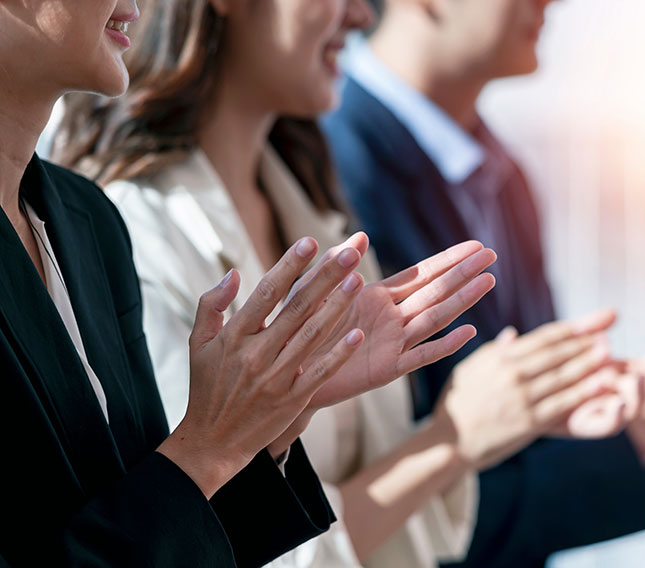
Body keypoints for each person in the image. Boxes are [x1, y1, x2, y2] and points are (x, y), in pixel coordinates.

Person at [54, 0, 645, 566]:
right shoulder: (132, 228)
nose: (363, 14)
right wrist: (453, 438)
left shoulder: (316, 209)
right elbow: (209, 540)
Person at [321, 0, 645, 565]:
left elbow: (522, 430)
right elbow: (408, 507)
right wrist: (644, 435)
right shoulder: (332, 176)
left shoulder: (502, 177)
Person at [0, 0, 481, 564]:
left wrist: (268, 416)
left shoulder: (90, 224)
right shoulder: (129, 214)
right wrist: (210, 447)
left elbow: (153, 529)